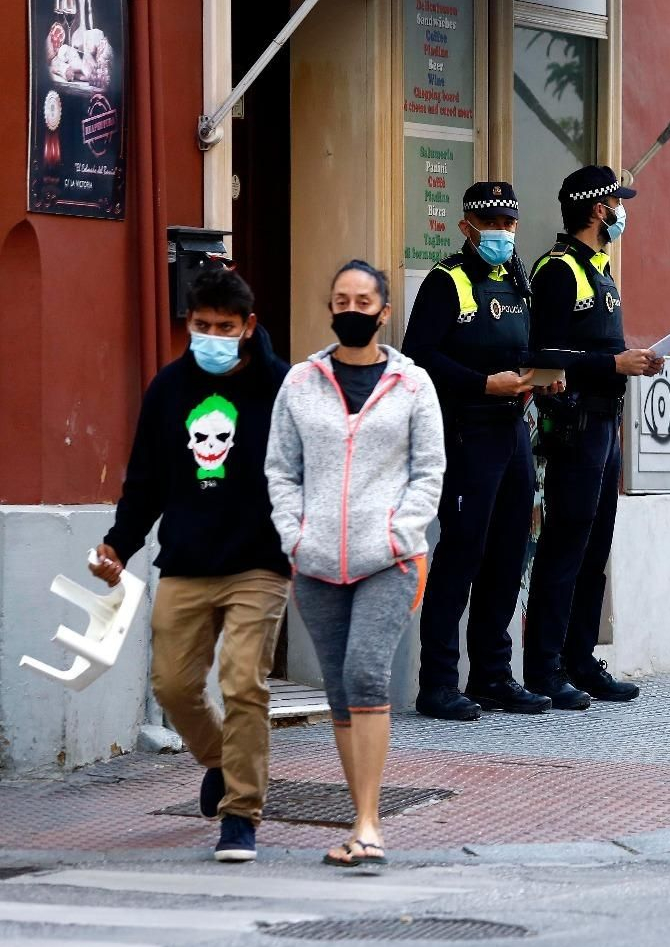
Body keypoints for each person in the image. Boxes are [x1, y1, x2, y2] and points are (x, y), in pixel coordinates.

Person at [90, 266, 289, 863]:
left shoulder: (280, 387)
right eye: (201, 325)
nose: (211, 336)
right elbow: (145, 478)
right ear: (188, 323)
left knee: (244, 684)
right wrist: (118, 545)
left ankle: (241, 816)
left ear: (248, 327)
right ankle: (222, 765)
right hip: (186, 560)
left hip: (260, 561)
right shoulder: (168, 389)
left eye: (224, 328)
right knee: (173, 686)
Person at [266, 260, 445, 866]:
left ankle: (370, 822)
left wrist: (402, 533)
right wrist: (295, 536)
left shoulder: (414, 385)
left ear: (384, 312)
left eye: (363, 301)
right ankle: (356, 813)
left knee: (367, 673)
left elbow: (429, 471)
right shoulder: (300, 383)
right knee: (341, 689)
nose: (351, 310)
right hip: (315, 562)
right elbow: (280, 469)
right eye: (341, 299)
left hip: (388, 560)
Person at [403, 181, 553, 721]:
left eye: (510, 224)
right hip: (467, 430)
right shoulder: (447, 280)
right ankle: (438, 684)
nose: (504, 233)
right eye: (493, 225)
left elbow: (525, 344)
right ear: (467, 226)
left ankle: (493, 675)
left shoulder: (515, 277)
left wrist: (544, 376)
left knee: (508, 553)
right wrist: (481, 384)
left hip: (513, 429)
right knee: (461, 554)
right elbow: (417, 356)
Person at [522, 165, 664, 707]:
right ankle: (544, 668)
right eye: (618, 204)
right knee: (565, 547)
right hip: (576, 426)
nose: (623, 212)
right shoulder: (558, 269)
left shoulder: (599, 268)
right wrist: (613, 362)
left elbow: (598, 352)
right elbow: (542, 354)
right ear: (600, 210)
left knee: (594, 547)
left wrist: (631, 364)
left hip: (607, 424)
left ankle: (580, 660)